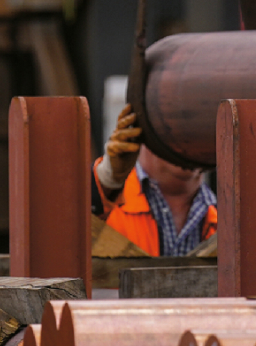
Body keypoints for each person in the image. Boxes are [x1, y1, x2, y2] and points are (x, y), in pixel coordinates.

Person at [93, 106, 219, 256]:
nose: (187, 142)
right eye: (174, 128)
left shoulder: (228, 221)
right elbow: (72, 232)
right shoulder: (105, 207)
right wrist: (107, 180)